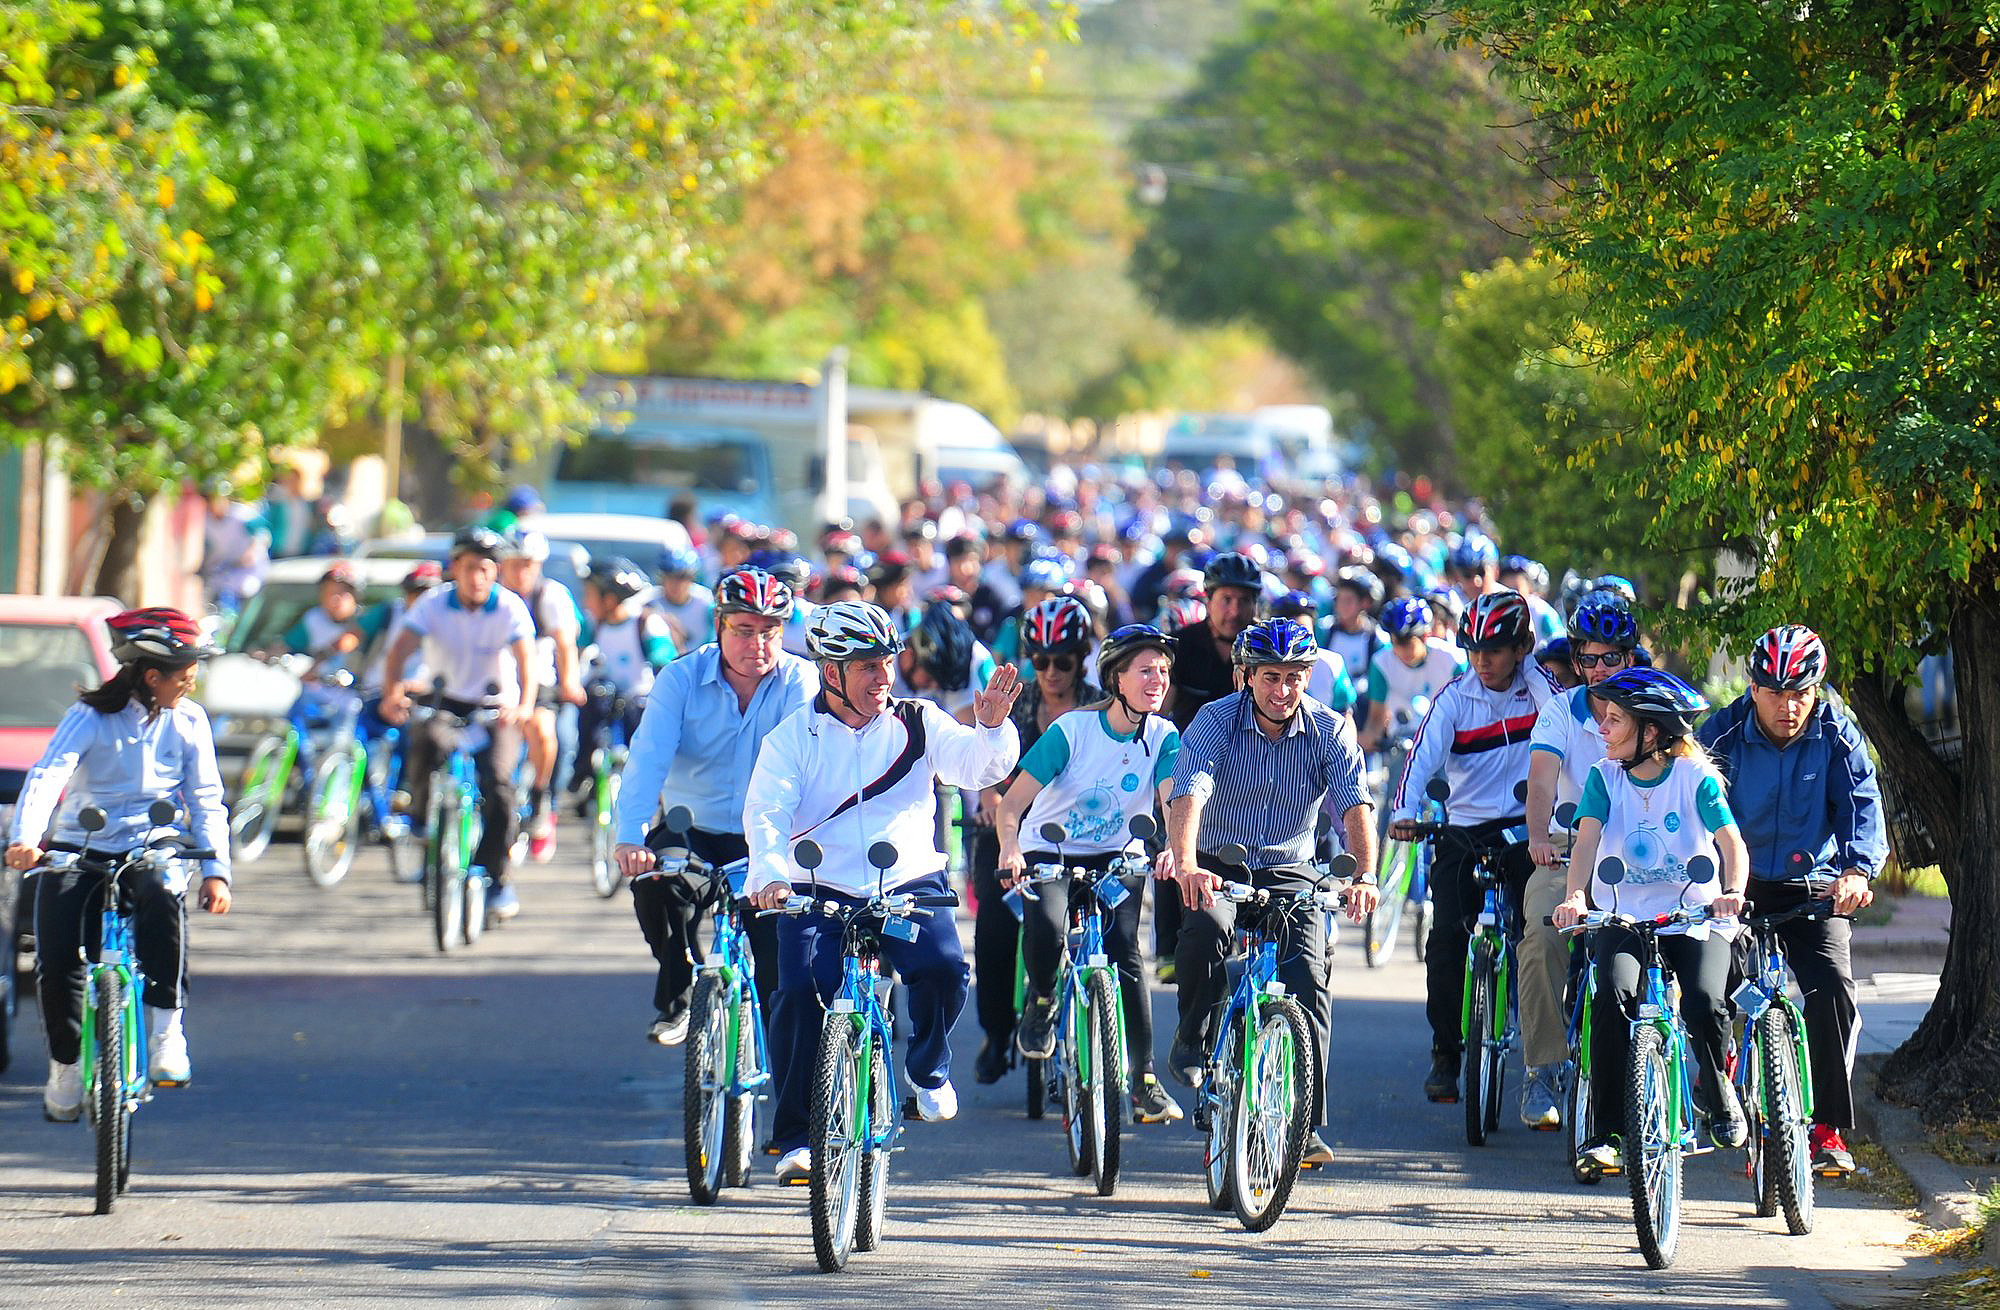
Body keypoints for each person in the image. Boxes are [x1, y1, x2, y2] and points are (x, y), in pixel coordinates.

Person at [743, 602, 1023, 1184]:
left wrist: (991, 726)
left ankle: (926, 1071)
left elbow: (977, 767)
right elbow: (767, 811)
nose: (883, 677)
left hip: (907, 881)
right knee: (798, 992)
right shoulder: (793, 737)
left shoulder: (919, 719)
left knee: (945, 968)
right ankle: (796, 1136)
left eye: (887, 662)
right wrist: (770, 874)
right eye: (866, 666)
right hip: (816, 886)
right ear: (831, 673)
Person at [1163, 617, 1379, 1168]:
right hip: (1217, 862)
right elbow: (1189, 791)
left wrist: (1364, 877)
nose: (1282, 691)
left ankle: (1306, 1123)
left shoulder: (1330, 730)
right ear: (1246, 677)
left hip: (1291, 868)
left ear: (1308, 677)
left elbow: (1355, 805)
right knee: (1206, 928)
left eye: (1293, 677)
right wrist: (1186, 863)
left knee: (1309, 976)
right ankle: (1193, 1036)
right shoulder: (1214, 721)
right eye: (1270, 677)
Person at [5, 608, 232, 1116]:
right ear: (153, 677)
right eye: (184, 678)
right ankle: (64, 1067)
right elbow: (47, 776)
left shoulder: (190, 721)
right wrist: (27, 838)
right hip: (79, 850)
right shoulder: (89, 717)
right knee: (56, 956)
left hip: (152, 846)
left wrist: (216, 871)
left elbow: (206, 799)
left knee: (163, 897)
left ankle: (167, 1035)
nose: (190, 688)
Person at [1695, 624, 1884, 1175]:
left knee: (1832, 992)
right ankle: (1724, 1077)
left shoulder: (1837, 735)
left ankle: (1826, 1130)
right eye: (1775, 691)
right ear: (1753, 687)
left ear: (1816, 690)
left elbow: (1862, 805)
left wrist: (1856, 870)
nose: (1788, 704)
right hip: (1737, 885)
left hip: (1814, 888)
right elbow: (1690, 803)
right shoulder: (1720, 736)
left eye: (1800, 692)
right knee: (1713, 989)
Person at [1553, 668, 1751, 1172]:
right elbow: (1586, 844)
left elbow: (1731, 844)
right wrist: (1577, 895)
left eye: (1615, 720)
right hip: (1624, 918)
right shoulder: (1604, 777)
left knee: (1706, 1002)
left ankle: (1718, 1084)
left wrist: (1731, 893)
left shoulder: (1695, 779)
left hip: (1693, 917)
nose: (1603, 728)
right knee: (1612, 998)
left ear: (1652, 731)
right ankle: (1608, 1133)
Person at [611, 568, 817, 1043]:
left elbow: (804, 769)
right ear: (720, 626)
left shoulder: (801, 683)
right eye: (744, 631)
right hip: (693, 828)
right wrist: (630, 836)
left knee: (776, 969)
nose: (757, 645)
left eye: (769, 632)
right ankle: (680, 997)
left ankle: (772, 1063)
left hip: (768, 836)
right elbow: (647, 760)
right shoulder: (680, 678)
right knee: (654, 887)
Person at [997, 623, 1184, 1123]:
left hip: (1119, 856)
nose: (1157, 680)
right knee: (1050, 922)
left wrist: (1170, 849)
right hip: (1050, 849)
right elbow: (1011, 805)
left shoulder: (1164, 735)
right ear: (1116, 678)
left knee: (1126, 953)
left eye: (1163, 671)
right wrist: (1011, 850)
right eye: (1145, 670)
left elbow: (1169, 802)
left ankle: (1144, 1080)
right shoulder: (1072, 730)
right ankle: (1040, 1000)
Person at [1389, 589, 1563, 1102]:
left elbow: (1567, 722)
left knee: (1542, 932)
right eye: (1474, 650)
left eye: (1496, 650)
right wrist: (1404, 812)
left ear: (1521, 648)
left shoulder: (1540, 692)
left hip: (1525, 831)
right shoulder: (1455, 697)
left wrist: (1531, 672)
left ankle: (1546, 1061)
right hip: (1464, 829)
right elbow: (1420, 760)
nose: (1483, 661)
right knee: (1445, 938)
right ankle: (1446, 1052)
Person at [1518, 592, 1641, 1128]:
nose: (1596, 670)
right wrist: (1539, 835)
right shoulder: (1558, 711)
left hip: (1639, 858)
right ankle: (1543, 1069)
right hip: (1567, 851)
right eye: (1586, 659)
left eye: (1609, 658)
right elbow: (1542, 778)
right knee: (1541, 936)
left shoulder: (1649, 708)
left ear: (1629, 660)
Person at [968, 595, 1098, 1085]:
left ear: (1082, 657)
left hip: (1083, 839)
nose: (1050, 672)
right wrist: (987, 800)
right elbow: (982, 758)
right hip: (1009, 834)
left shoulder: (1100, 704)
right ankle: (997, 1034)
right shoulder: (1016, 703)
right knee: (994, 931)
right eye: (1040, 660)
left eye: (1061, 661)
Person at [378, 527, 536, 921]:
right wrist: (392, 691)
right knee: (424, 739)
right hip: (445, 700)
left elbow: (525, 660)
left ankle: (496, 878)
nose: (477, 577)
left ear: (495, 571)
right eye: (469, 569)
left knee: (499, 785)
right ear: (455, 569)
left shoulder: (510, 607)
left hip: (495, 707)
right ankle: (421, 818)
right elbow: (399, 650)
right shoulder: (433, 603)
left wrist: (525, 704)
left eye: (485, 569)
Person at [1159, 550, 1264, 977]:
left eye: (1244, 600)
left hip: (1249, 763)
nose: (1234, 610)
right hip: (1188, 759)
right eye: (1226, 599)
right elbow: (1161, 707)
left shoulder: (1263, 648)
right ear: (1208, 598)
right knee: (1173, 842)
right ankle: (1169, 947)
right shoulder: (1184, 645)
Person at [500, 527, 585, 863]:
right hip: (497, 683)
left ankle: (540, 796)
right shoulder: (495, 596)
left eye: (529, 564)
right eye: (515, 563)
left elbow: (565, 643)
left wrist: (570, 682)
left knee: (544, 735)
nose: (522, 571)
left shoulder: (550, 595)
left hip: (539, 682)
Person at [566, 557, 675, 800]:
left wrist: (660, 658)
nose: (585, 601)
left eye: (590, 594)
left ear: (609, 598)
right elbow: (577, 654)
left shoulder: (645, 622)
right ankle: (582, 770)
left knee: (640, 721)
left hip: (637, 696)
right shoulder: (595, 624)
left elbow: (664, 656)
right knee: (592, 703)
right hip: (606, 693)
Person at [198, 477, 270, 616]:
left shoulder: (241, 515)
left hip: (248, 570)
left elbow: (263, 534)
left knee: (246, 591)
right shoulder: (206, 519)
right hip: (224, 569)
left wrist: (251, 553)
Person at [652, 545, 714, 655]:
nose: (676, 584)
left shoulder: (706, 601)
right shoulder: (651, 602)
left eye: (682, 577)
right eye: (670, 577)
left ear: (692, 578)